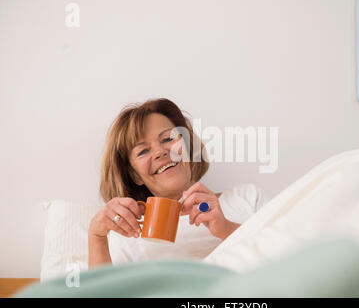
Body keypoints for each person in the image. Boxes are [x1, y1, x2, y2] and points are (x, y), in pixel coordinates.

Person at [88, 98, 267, 268]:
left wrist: (225, 229)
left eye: (168, 139)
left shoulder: (247, 197)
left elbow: (285, 259)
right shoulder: (125, 233)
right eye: (143, 151)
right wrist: (96, 238)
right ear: (135, 176)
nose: (160, 152)